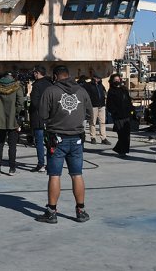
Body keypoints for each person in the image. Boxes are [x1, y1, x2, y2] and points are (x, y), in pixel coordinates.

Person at [35, 65, 93, 224]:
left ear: (55, 76)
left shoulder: (51, 91)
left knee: (54, 175)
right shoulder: (82, 91)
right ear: (68, 75)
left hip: (57, 138)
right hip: (77, 138)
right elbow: (89, 113)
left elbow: (43, 114)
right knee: (77, 174)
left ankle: (52, 212)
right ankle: (80, 211)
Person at [0, 73, 24, 175]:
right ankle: (12, 168)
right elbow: (21, 102)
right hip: (13, 120)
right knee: (12, 146)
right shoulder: (17, 88)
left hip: (0, 120)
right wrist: (15, 112)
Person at [28, 65, 53, 173]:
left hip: (38, 117)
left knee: (39, 142)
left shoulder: (37, 85)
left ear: (37, 73)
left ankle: (41, 164)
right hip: (50, 118)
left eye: (34, 73)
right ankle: (50, 164)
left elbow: (34, 102)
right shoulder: (50, 84)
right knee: (49, 142)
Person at [106, 73, 133, 157]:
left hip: (126, 114)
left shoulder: (124, 89)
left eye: (118, 79)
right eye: (115, 80)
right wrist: (114, 112)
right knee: (121, 134)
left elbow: (128, 100)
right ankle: (121, 151)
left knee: (127, 135)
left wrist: (132, 111)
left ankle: (122, 150)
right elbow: (109, 104)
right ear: (112, 81)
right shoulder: (111, 91)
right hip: (118, 116)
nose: (117, 81)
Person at [83, 74, 109, 145]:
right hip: (93, 106)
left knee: (102, 122)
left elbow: (104, 92)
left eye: (99, 78)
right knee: (92, 122)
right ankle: (93, 137)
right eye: (97, 78)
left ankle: (103, 138)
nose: (98, 79)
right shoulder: (88, 85)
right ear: (93, 78)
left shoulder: (101, 85)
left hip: (102, 106)